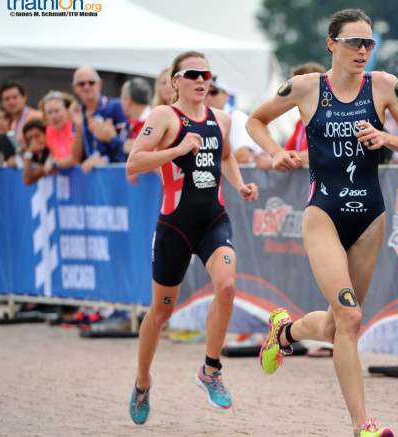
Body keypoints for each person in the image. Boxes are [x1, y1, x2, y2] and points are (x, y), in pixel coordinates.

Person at [246, 9, 398, 437]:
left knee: (335, 323)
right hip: (323, 213)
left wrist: (387, 138)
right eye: (353, 42)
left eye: (368, 44)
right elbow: (255, 121)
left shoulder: (383, 86)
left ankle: (284, 332)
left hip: (370, 216)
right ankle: (363, 425)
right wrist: (275, 152)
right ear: (332, 44)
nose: (362, 51)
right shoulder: (307, 88)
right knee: (351, 319)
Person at [125, 51, 260, 425]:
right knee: (160, 313)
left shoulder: (222, 119)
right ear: (175, 82)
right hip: (175, 226)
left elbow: (227, 155)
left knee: (227, 287)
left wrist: (240, 185)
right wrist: (178, 149)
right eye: (193, 74)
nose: (202, 80)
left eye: (207, 74)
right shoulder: (164, 117)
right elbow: (133, 162)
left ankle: (210, 370)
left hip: (213, 220)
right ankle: (142, 380)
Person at [69, 65, 128, 172]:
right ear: (74, 88)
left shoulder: (116, 106)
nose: (86, 87)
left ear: (100, 84)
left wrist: (106, 159)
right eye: (81, 84)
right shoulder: (78, 114)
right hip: (92, 179)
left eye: (91, 82)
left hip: (115, 175)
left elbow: (127, 147)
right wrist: (78, 126)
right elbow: (76, 159)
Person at [204, 75, 270, 168]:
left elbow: (243, 157)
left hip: (250, 177)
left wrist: (204, 160)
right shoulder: (204, 120)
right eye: (205, 92)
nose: (208, 97)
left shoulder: (236, 118)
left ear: (226, 96)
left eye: (214, 92)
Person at [283, 62, 327, 167]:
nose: (293, 93)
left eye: (298, 87)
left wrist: (272, 160)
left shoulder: (328, 117)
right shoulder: (300, 123)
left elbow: (319, 153)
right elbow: (286, 151)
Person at [0, 80, 43, 148]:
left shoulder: (37, 117)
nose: (11, 102)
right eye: (7, 99)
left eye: (15, 97)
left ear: (24, 97)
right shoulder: (12, 124)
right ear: (2, 102)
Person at [38, 90, 77, 161]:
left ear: (68, 110)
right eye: (49, 113)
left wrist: (54, 164)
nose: (53, 116)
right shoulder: (49, 130)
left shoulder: (76, 127)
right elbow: (52, 154)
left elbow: (76, 159)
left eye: (57, 111)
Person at [21, 119, 55, 186]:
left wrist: (29, 152)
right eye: (30, 138)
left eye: (37, 136)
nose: (34, 141)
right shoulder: (33, 156)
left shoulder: (51, 152)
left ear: (46, 134)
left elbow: (27, 180)